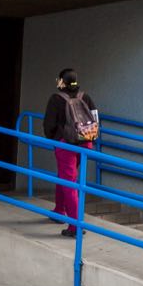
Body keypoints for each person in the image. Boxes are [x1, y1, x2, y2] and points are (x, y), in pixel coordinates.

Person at [43, 68, 99, 237]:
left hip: (66, 145)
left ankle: (75, 226)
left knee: (69, 182)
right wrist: (89, 137)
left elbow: (48, 126)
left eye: (59, 79)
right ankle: (59, 210)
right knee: (66, 176)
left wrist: (56, 139)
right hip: (85, 143)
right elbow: (95, 119)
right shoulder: (85, 97)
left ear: (62, 81)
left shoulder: (56, 99)